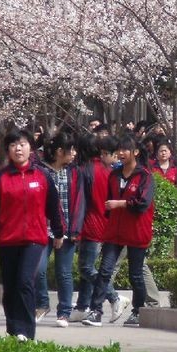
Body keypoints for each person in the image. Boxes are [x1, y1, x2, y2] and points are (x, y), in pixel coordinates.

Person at [0, 128, 64, 340]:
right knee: (10, 286)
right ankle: (13, 329)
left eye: (23, 144)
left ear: (31, 148)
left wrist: (58, 232)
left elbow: (53, 207)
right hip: (8, 239)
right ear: (8, 150)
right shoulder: (0, 178)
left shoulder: (43, 175)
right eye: (13, 145)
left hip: (34, 239)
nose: (18, 148)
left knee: (25, 281)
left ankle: (27, 331)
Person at [82, 136, 155, 328]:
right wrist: (113, 210)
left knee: (135, 274)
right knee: (105, 270)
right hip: (114, 231)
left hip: (137, 231)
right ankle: (96, 311)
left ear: (136, 152)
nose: (121, 153)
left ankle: (138, 310)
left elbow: (143, 204)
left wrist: (121, 204)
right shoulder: (114, 176)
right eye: (119, 150)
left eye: (125, 149)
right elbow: (108, 203)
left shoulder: (145, 176)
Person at [74, 135, 126, 323]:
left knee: (86, 268)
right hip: (106, 223)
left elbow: (81, 202)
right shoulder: (109, 171)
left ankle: (113, 297)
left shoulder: (87, 170)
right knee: (91, 267)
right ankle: (83, 306)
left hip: (92, 225)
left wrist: (75, 228)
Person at [44, 132, 86, 327]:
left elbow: (80, 201)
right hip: (44, 228)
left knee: (64, 272)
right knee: (38, 270)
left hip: (67, 228)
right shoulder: (43, 171)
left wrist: (76, 228)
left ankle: (64, 312)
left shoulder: (75, 172)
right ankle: (42, 304)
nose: (74, 153)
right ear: (60, 151)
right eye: (71, 150)